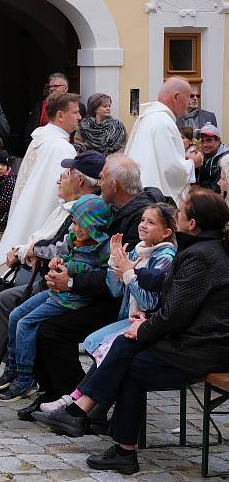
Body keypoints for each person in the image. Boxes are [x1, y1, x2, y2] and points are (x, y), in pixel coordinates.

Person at [33, 189, 229, 475]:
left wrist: (145, 327)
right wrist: (143, 312)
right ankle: (87, 420)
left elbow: (176, 312)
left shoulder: (201, 255)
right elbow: (170, 291)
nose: (179, 214)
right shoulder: (202, 250)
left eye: (183, 211)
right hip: (197, 340)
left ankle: (93, 425)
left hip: (202, 348)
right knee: (126, 350)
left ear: (194, 224)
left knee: (130, 364)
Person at [22, 155, 169, 420]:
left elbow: (117, 276)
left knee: (52, 330)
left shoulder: (136, 219)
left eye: (102, 179)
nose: (98, 184)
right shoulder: (118, 210)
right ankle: (54, 392)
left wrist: (72, 281)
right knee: (21, 312)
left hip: (118, 303)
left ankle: (73, 401)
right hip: (107, 293)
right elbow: (88, 255)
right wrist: (62, 268)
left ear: (114, 185)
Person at [0, 151, 103, 388]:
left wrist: (25, 251)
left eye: (65, 175)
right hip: (32, 270)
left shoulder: (82, 210)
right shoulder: (67, 207)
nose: (59, 180)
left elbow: (59, 246)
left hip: (45, 277)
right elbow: (48, 242)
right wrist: (24, 250)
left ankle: (6, 366)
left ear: (79, 180)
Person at [37, 203, 177, 414]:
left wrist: (129, 275)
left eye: (151, 222)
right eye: (142, 220)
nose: (143, 226)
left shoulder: (164, 257)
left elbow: (149, 302)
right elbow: (115, 289)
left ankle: (81, 405)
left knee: (106, 346)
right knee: (95, 341)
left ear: (166, 232)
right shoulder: (138, 249)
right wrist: (115, 260)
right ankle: (83, 403)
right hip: (128, 318)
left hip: (149, 324)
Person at [0, 195, 111, 402]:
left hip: (72, 299)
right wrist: (58, 260)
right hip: (56, 292)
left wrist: (70, 268)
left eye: (80, 224)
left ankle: (25, 376)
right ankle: (13, 367)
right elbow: (65, 254)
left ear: (94, 225)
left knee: (26, 323)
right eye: (74, 223)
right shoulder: (74, 239)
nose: (74, 228)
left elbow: (102, 275)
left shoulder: (103, 248)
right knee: (15, 315)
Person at [0, 92, 80, 282]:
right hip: (43, 215)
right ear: (60, 115)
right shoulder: (61, 148)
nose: (80, 117)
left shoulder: (41, 139)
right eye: (75, 112)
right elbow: (63, 195)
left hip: (28, 209)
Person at [124, 76, 201, 205]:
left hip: (141, 194)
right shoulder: (164, 122)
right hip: (153, 199)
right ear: (176, 97)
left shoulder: (149, 117)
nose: (189, 102)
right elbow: (171, 169)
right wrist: (192, 163)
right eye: (188, 96)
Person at [25, 73, 86, 148]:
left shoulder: (78, 107)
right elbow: (30, 129)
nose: (51, 89)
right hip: (43, 147)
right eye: (50, 86)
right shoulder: (40, 105)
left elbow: (82, 130)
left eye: (55, 86)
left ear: (65, 88)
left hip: (69, 147)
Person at [194, 124, 228, 193]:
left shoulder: (226, 159)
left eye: (209, 140)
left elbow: (217, 189)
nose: (205, 145)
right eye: (202, 141)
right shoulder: (203, 156)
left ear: (218, 141)